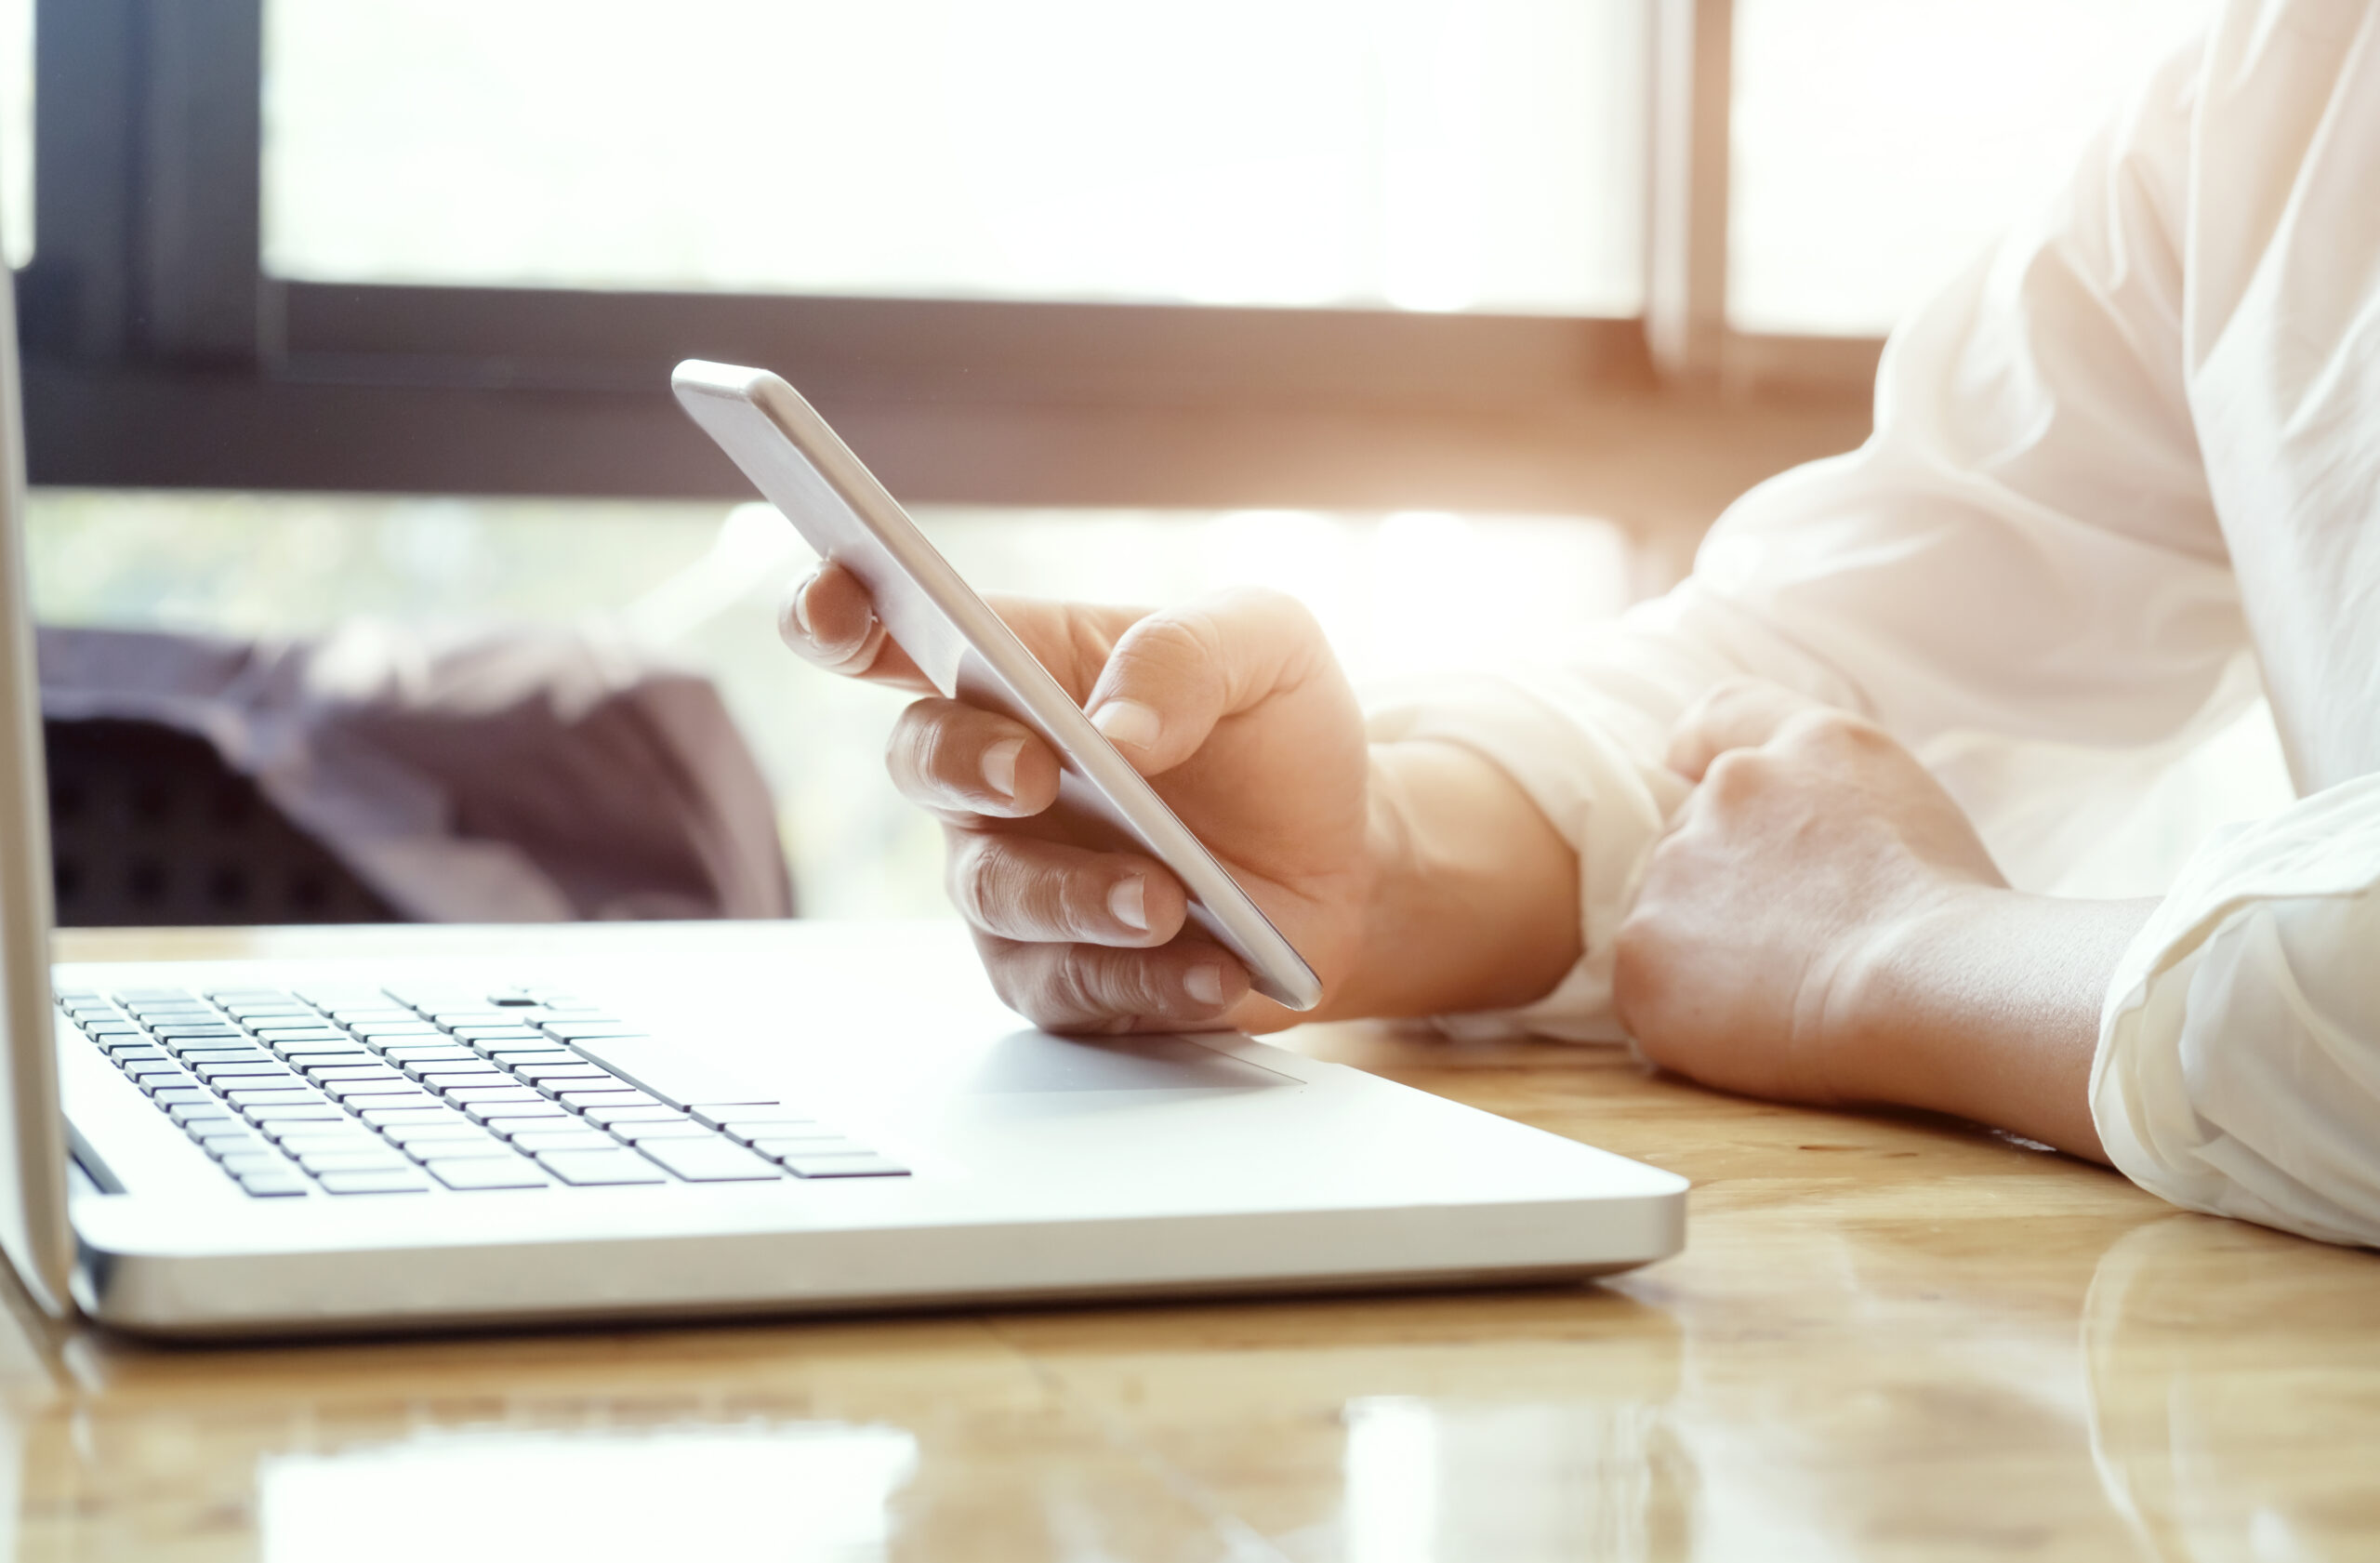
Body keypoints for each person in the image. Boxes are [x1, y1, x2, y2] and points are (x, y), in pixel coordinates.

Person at [779, 0, 2380, 1249]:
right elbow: (1872, 646)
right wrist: (1385, 857)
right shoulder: (2290, 79)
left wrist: (1904, 958)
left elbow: (1850, 894)